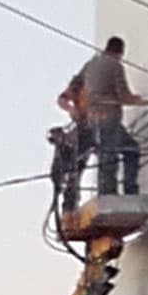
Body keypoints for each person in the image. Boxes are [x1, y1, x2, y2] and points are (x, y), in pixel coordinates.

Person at [81, 35, 148, 196]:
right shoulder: (115, 65)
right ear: (120, 52)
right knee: (121, 151)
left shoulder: (91, 65)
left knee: (107, 153)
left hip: (92, 118)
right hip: (108, 115)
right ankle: (123, 191)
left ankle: (107, 192)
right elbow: (123, 95)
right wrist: (139, 101)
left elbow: (78, 87)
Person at [51, 68, 92, 213]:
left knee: (79, 163)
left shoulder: (90, 86)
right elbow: (62, 99)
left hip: (91, 126)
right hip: (85, 127)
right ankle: (69, 204)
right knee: (74, 164)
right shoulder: (79, 87)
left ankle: (70, 203)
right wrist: (71, 109)